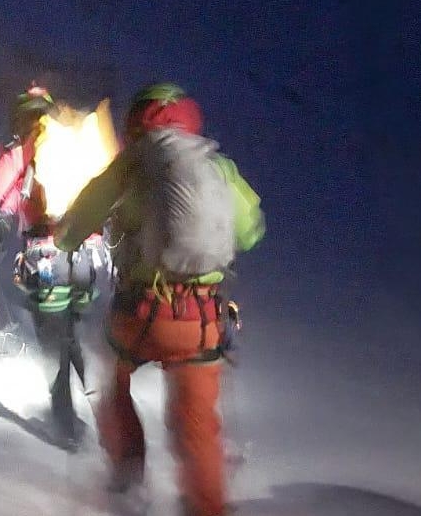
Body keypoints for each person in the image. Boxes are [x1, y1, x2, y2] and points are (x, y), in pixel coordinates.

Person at [55, 83, 266, 516]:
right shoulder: (217, 165)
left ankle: (127, 478)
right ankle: (206, 507)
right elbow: (251, 230)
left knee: (111, 376)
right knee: (198, 426)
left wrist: (68, 235)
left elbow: (76, 223)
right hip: (203, 320)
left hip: (142, 313)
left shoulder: (132, 164)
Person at [0, 84, 119, 448]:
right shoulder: (79, 143)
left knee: (53, 341)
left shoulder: (26, 149)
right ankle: (107, 412)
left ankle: (66, 424)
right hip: (90, 258)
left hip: (47, 260)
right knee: (77, 330)